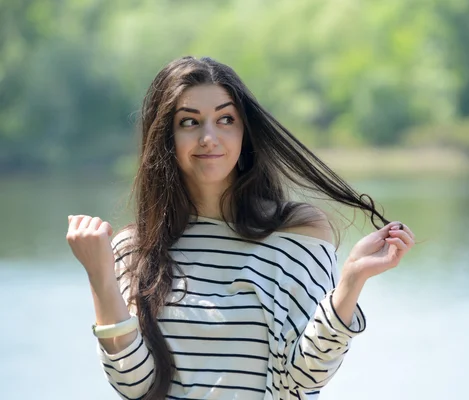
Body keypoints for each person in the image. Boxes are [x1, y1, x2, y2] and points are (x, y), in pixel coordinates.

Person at [66, 56, 415, 400]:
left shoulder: (297, 234)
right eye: (189, 122)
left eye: (225, 119)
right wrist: (100, 276)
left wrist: (350, 283)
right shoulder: (134, 248)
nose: (209, 137)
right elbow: (134, 386)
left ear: (244, 131)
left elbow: (304, 379)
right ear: (165, 136)